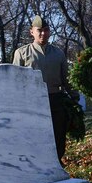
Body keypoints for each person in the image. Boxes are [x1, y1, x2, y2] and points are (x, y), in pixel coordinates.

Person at [12, 15, 73, 162]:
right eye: (39, 30)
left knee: (58, 134)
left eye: (46, 30)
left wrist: (75, 98)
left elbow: (67, 79)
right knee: (36, 136)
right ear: (31, 32)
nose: (43, 34)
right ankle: (38, 164)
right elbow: (15, 81)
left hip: (55, 98)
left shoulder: (58, 53)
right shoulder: (21, 53)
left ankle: (57, 162)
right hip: (32, 102)